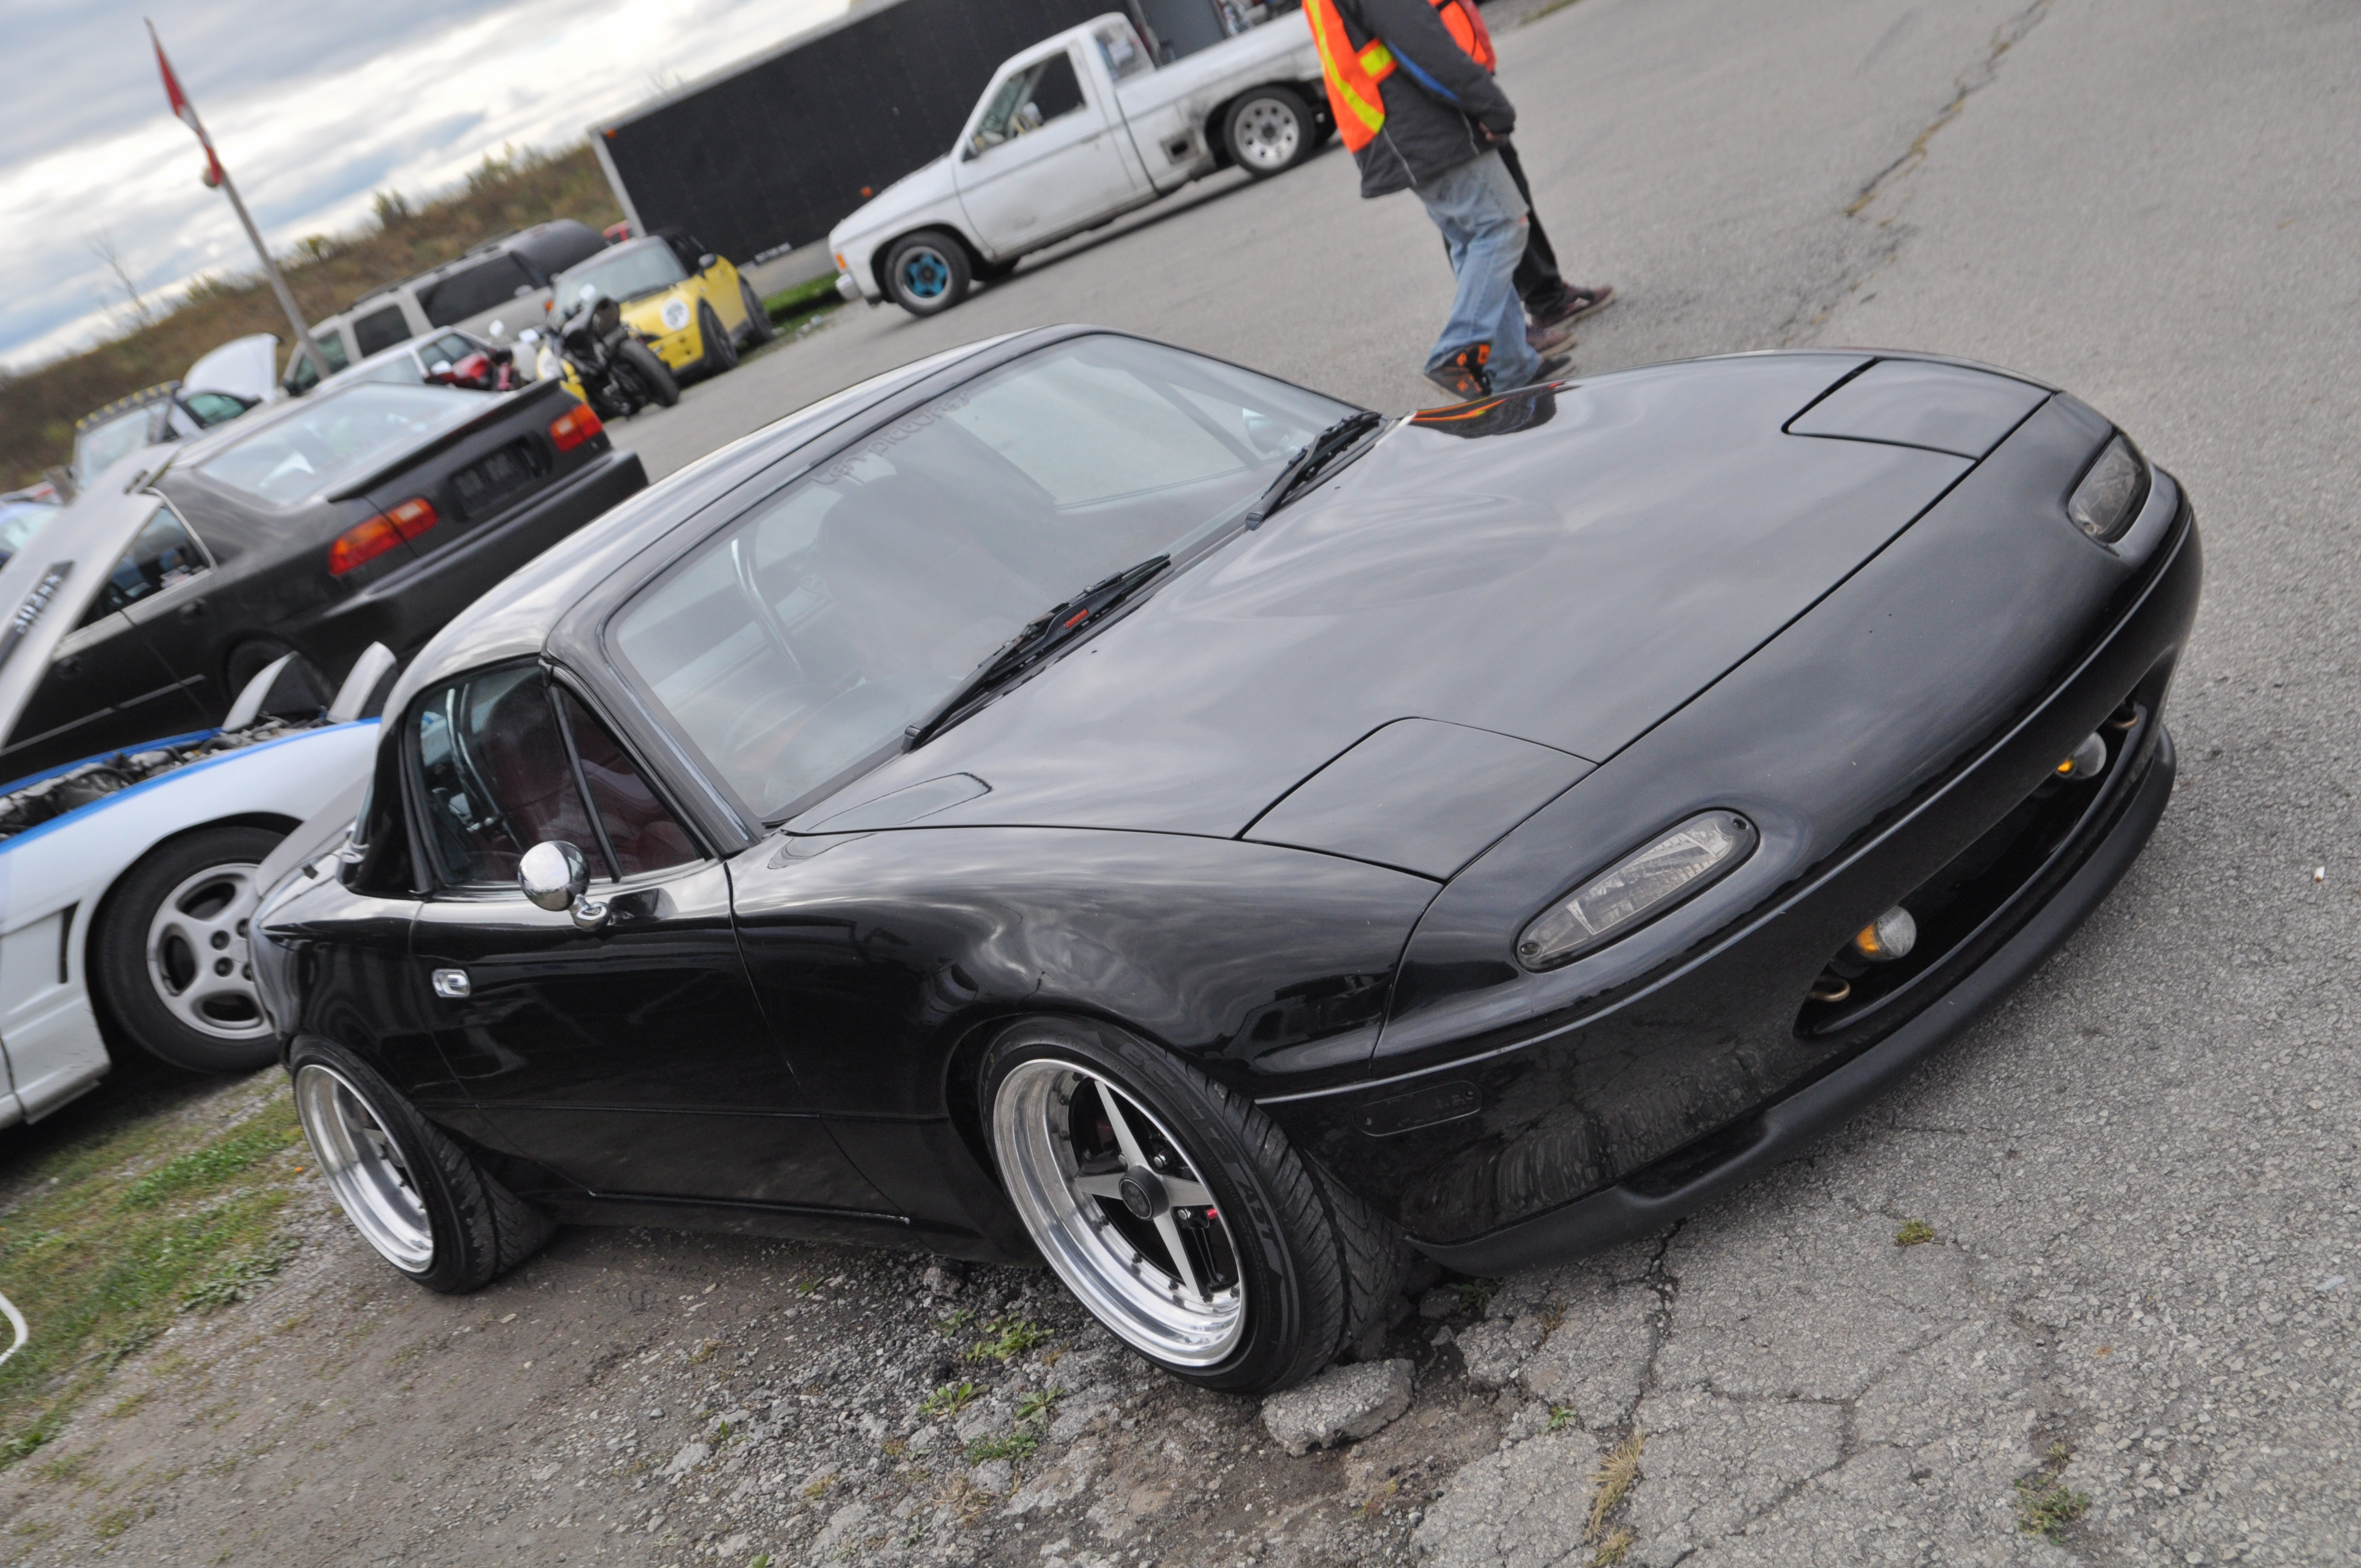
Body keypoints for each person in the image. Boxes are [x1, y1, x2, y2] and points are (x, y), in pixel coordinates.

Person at [1306, 0, 1601, 399]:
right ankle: (1456, 352)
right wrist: (1488, 103)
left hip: (1398, 125)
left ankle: (1510, 368)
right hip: (1422, 120)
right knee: (1503, 226)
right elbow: (1421, 42)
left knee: (1471, 239)